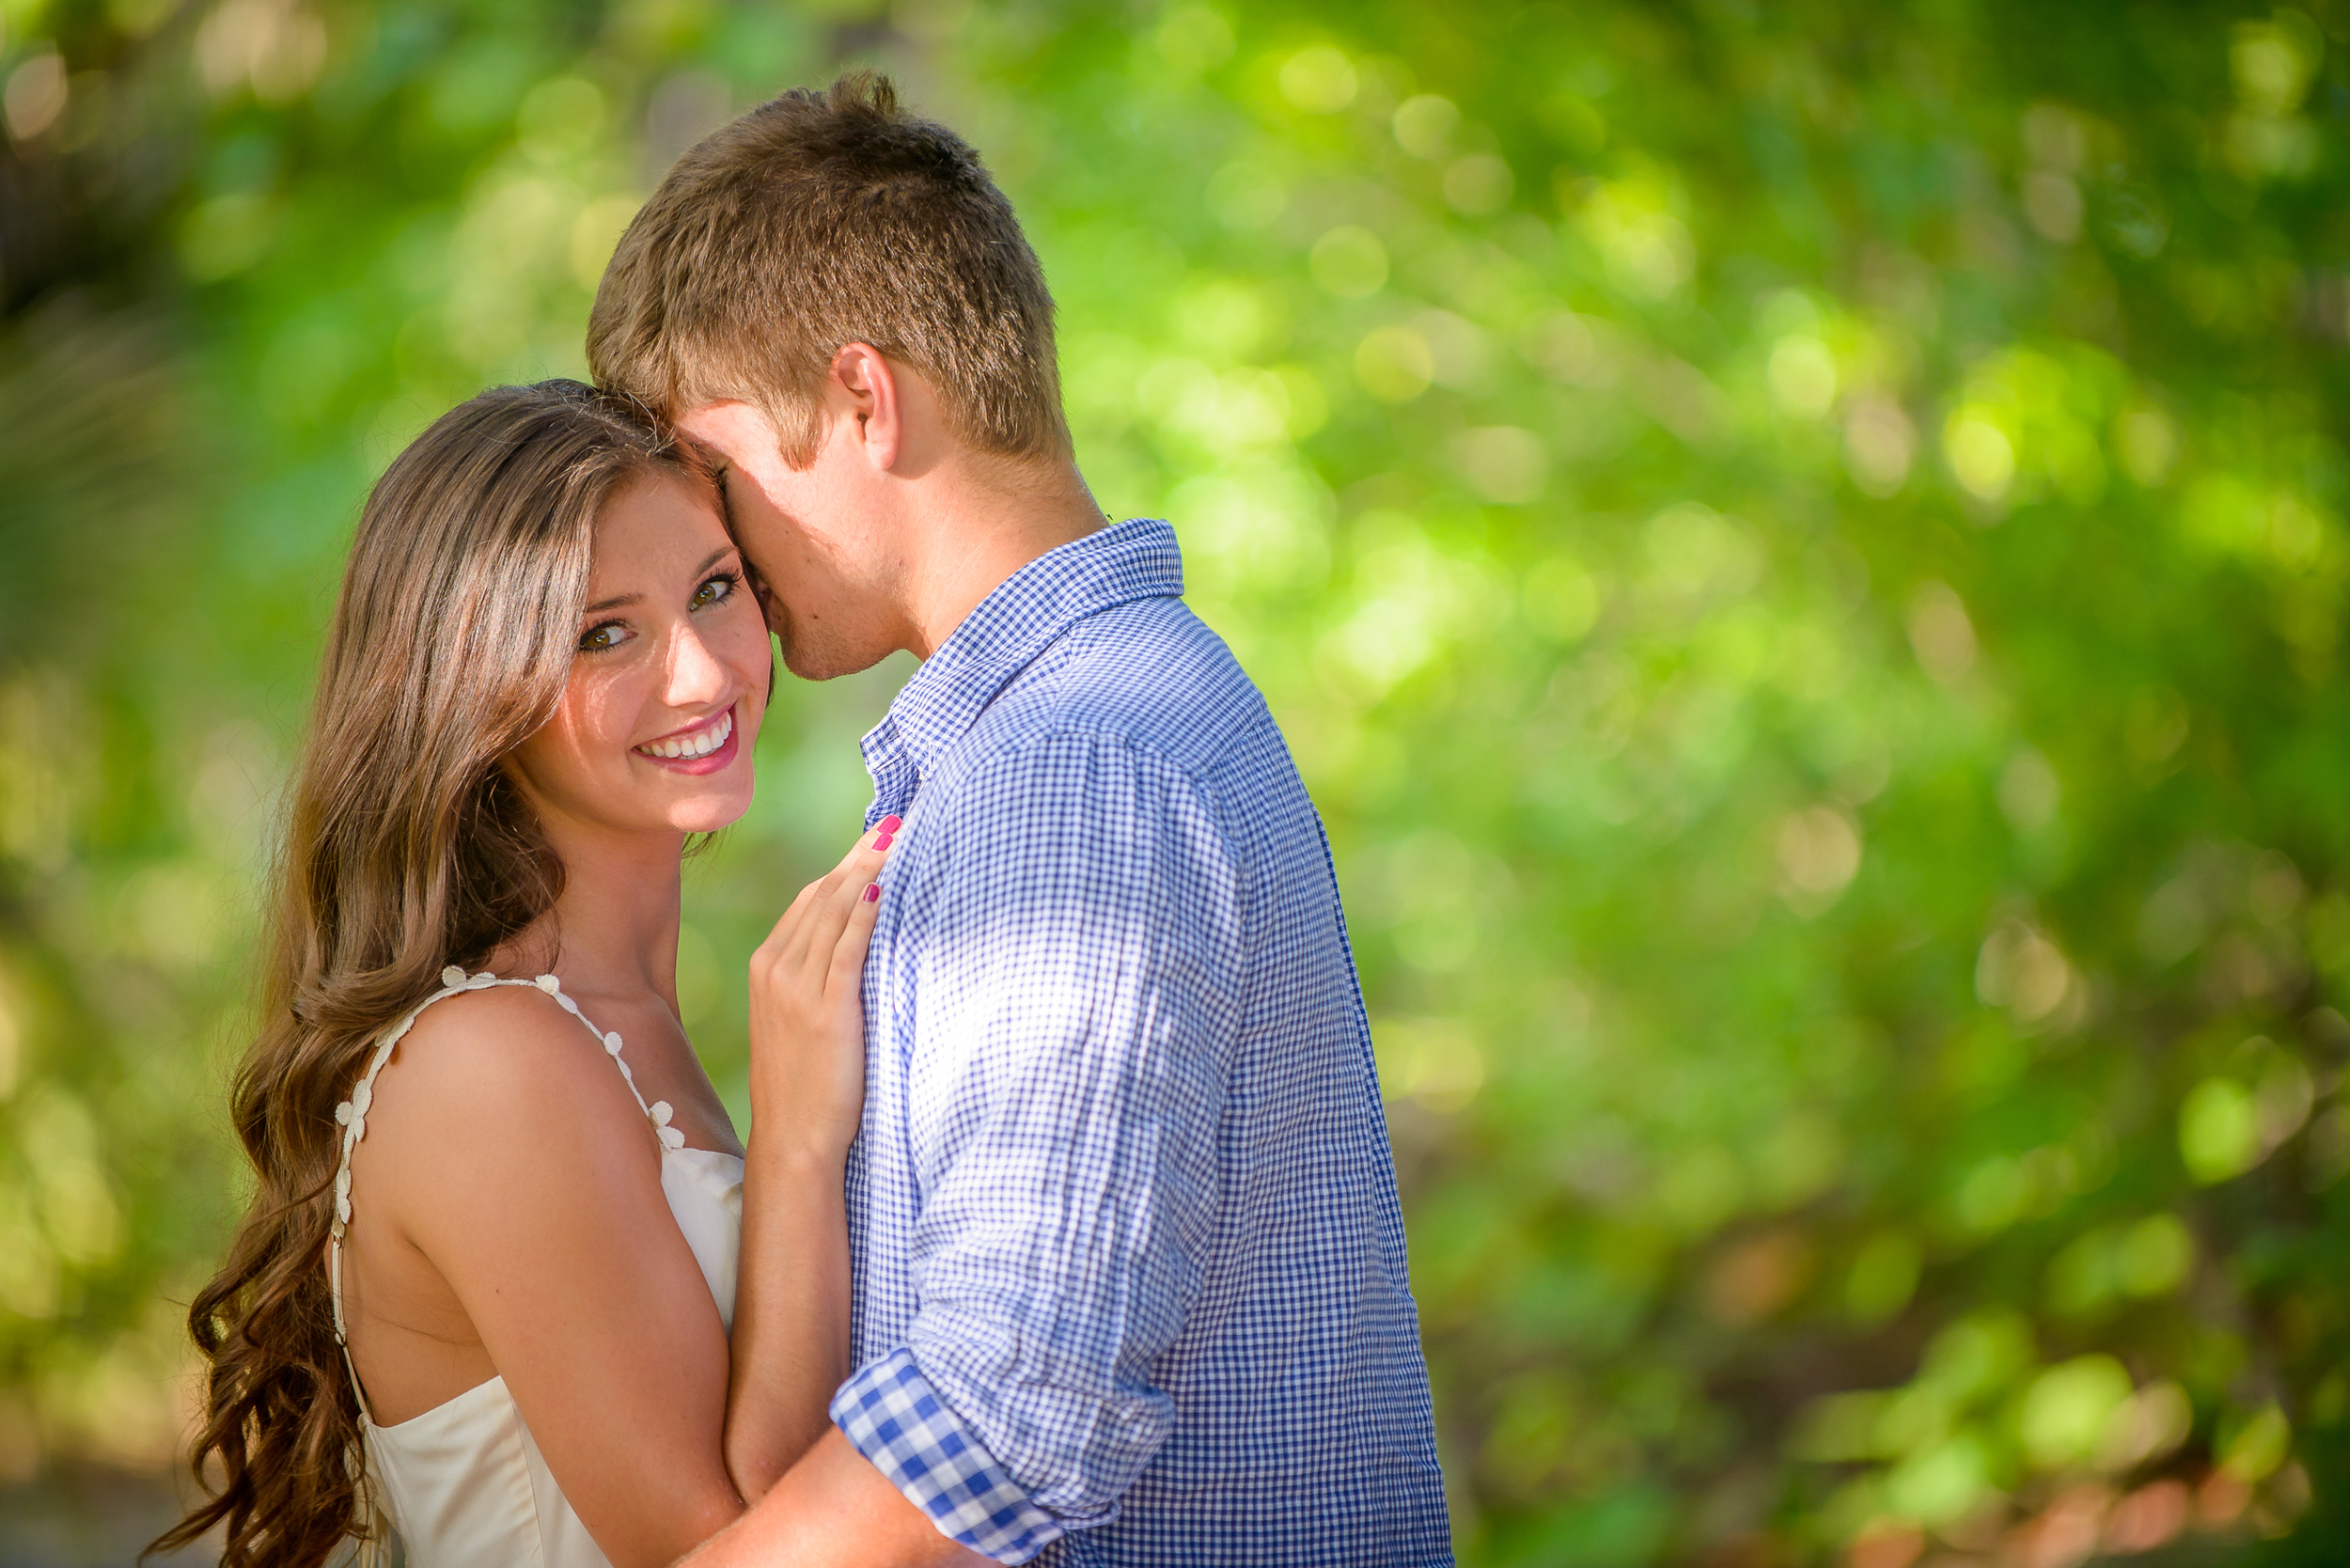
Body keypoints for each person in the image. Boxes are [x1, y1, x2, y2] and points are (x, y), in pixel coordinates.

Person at [588, 72, 1450, 1565]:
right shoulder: (1097, 721)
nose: (714, 536)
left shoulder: (1076, 772)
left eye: (720, 472)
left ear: (863, 397)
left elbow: (1006, 1410)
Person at [150, 380, 892, 1568]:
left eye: (714, 588)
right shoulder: (494, 1064)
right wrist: (799, 1139)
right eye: (605, 632)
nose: (701, 674)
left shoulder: (615, 1020)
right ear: (473, 692)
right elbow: (725, 1550)